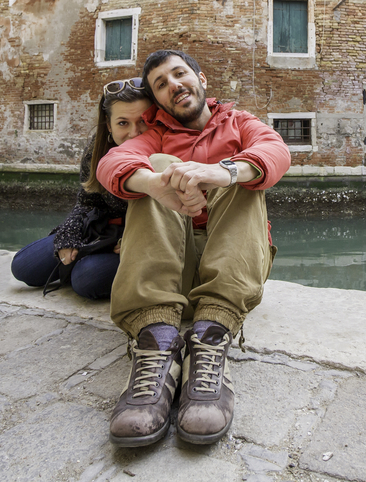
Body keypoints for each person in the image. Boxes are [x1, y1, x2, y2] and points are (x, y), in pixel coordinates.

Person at [96, 49, 291, 447]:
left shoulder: (240, 122)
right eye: (161, 86)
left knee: (244, 174)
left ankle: (211, 336)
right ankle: (156, 343)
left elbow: (276, 151)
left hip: (232, 258)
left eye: (178, 75)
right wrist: (153, 183)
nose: (173, 86)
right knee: (156, 165)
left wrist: (221, 172)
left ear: (201, 79)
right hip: (174, 259)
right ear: (159, 101)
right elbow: (112, 161)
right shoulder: (155, 136)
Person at [11, 78, 152, 299]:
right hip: (101, 228)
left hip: (138, 239)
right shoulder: (97, 151)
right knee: (23, 267)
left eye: (143, 121)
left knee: (86, 279)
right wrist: (69, 235)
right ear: (109, 124)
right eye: (123, 123)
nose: (134, 133)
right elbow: (87, 201)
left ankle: (93, 264)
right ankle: (90, 258)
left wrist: (132, 242)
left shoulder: (164, 151)